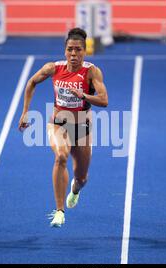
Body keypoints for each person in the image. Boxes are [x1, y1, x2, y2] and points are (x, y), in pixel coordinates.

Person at [18, 28, 108, 227]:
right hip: (58, 123)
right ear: (65, 51)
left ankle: (75, 190)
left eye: (78, 50)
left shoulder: (91, 71)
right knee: (60, 156)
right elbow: (32, 82)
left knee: (82, 177)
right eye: (70, 50)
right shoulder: (53, 68)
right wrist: (25, 111)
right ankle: (59, 211)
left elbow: (104, 100)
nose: (73, 54)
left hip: (82, 128)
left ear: (84, 52)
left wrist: (83, 96)